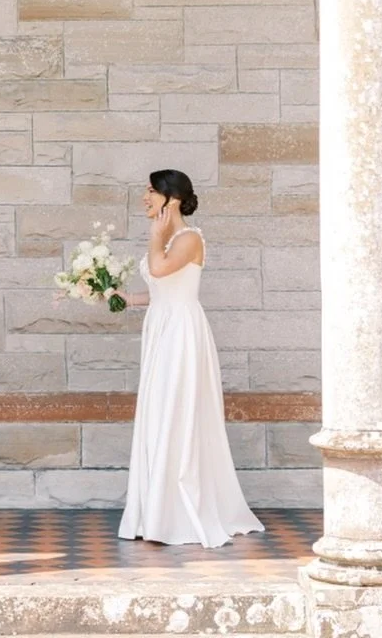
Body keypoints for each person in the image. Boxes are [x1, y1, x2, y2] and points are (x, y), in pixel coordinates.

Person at [118, 168, 264, 547]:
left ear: (172, 198)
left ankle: (177, 515)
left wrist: (156, 238)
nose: (145, 198)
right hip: (162, 328)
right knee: (157, 411)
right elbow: (161, 290)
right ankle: (154, 511)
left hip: (181, 335)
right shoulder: (170, 239)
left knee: (175, 412)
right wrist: (122, 297)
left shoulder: (187, 238)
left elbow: (160, 268)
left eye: (151, 191)